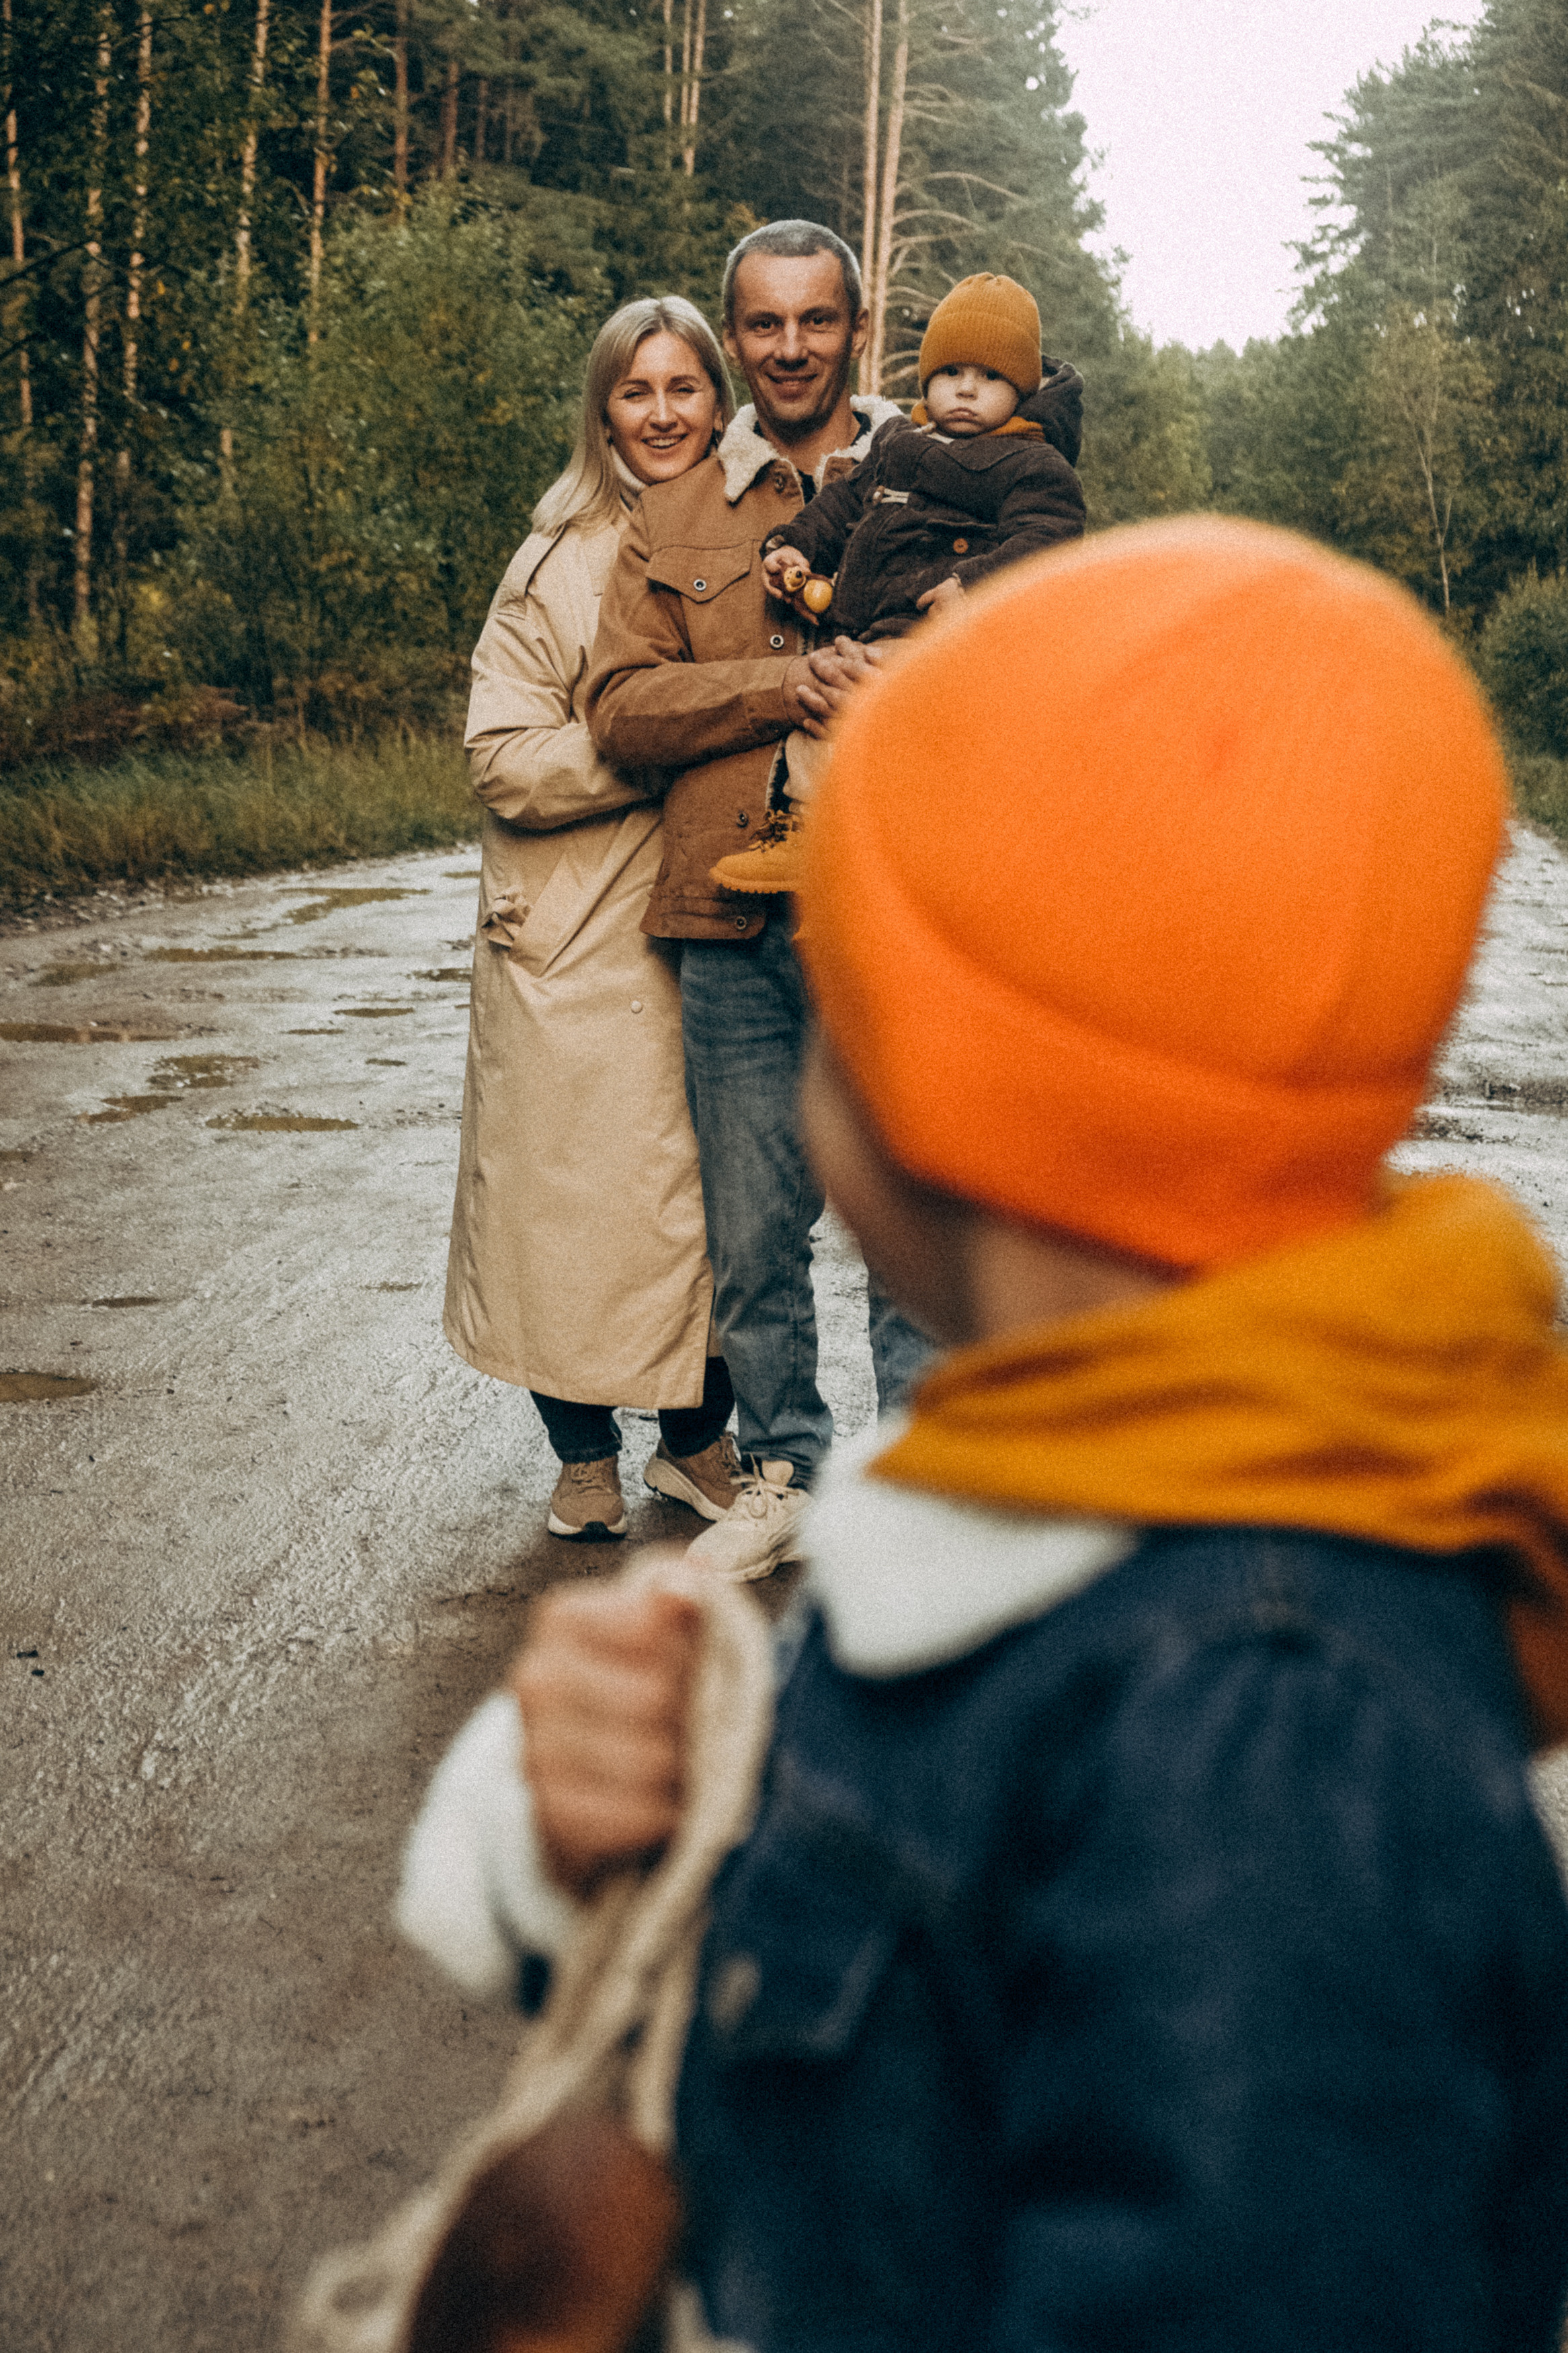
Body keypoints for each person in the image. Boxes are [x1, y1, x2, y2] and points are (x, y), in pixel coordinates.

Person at [416, 517, 1568, 2348]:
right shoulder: (1054, 1511)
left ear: (920, 1092)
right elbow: (915, 2014)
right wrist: (602, 1838)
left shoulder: (1263, 1744)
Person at [585, 219, 933, 1583]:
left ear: (857, 327)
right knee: (750, 1228)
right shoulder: (669, 512)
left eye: (816, 319)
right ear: (735, 339)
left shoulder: (939, 473)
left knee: (907, 1213)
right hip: (730, 922)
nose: (790, 345)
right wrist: (776, 686)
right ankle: (783, 1467)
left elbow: (1031, 644)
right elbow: (617, 706)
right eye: (764, 323)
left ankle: (915, 1485)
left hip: (901, 913)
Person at [443, 296, 746, 1545]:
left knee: (714, 1205)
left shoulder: (757, 536)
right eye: (638, 391)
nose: (663, 414)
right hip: (569, 942)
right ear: (603, 410)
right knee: (560, 1216)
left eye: (684, 390)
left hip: (713, 921)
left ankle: (695, 1441)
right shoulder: (552, 560)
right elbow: (504, 758)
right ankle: (581, 1457)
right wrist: (656, 743)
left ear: (717, 405)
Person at [714, 272, 1084, 894]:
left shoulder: (1033, 463)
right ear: (926, 380)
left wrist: (972, 583)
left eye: (990, 377)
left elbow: (1051, 539)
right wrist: (792, 547)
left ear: (1019, 390)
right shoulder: (895, 444)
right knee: (817, 724)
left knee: (907, 749)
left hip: (944, 638)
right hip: (863, 627)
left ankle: (893, 872)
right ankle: (806, 840)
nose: (966, 389)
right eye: (950, 373)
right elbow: (839, 508)